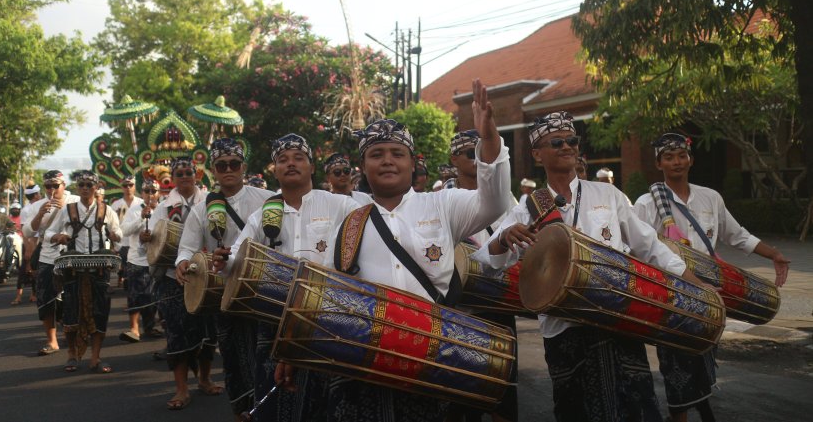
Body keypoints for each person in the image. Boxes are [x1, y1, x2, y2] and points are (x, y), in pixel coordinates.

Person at [296, 79, 511, 422]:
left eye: (397, 153)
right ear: (362, 166)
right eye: (376, 154)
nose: (387, 161)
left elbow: (496, 201)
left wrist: (489, 141)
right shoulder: (348, 220)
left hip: (436, 357)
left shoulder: (443, 204)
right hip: (366, 363)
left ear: (413, 163)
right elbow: (325, 292)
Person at [479, 112, 711, 422]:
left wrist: (693, 282)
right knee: (576, 411)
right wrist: (506, 237)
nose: (567, 147)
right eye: (557, 142)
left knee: (634, 407)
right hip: (564, 330)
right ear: (537, 154)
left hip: (618, 317)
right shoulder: (529, 205)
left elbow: (651, 246)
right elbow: (489, 257)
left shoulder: (609, 195)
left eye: (572, 141)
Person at [633, 132, 791, 422]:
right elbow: (637, 248)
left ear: (690, 159)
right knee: (677, 365)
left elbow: (737, 235)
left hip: (709, 294)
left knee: (704, 359)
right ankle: (681, 415)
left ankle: (700, 410)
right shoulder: (646, 203)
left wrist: (774, 255)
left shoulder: (711, 198)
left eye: (681, 155)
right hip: (672, 297)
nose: (676, 162)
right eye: (668, 157)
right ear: (659, 164)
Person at [219, 133, 361, 422]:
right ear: (275, 169)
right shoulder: (262, 216)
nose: (290, 164)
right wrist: (224, 260)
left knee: (333, 403)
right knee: (278, 405)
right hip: (276, 319)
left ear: (311, 167)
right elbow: (238, 254)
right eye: (282, 160)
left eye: (298, 158)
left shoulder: (340, 205)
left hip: (331, 318)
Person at [173, 138, 275, 413]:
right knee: (234, 362)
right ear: (213, 170)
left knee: (270, 361)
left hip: (266, 293)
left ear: (243, 166)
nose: (228, 169)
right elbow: (186, 248)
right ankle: (243, 411)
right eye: (221, 165)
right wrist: (183, 263)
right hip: (225, 295)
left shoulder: (267, 199)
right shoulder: (202, 208)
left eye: (234, 164)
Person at [446, 127, 518, 422]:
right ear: (453, 159)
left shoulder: (506, 198)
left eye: (479, 151)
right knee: (461, 392)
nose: (476, 158)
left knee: (503, 391)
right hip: (462, 307)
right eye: (467, 153)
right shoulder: (441, 200)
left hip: (500, 302)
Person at [141, 155, 214, 410]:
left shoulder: (210, 202)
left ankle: (204, 379)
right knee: (176, 334)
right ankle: (181, 389)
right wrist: (147, 238)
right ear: (172, 179)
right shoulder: (163, 207)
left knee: (208, 332)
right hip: (173, 279)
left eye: (188, 173)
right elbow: (153, 246)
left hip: (205, 277)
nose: (184, 177)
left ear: (197, 175)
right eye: (179, 174)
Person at [47, 170, 121, 374]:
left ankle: (95, 357)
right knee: (71, 312)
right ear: (77, 188)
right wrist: (59, 237)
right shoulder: (68, 209)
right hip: (73, 269)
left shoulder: (106, 210)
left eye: (90, 185)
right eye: (82, 185)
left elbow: (119, 233)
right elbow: (49, 233)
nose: (86, 188)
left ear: (97, 187)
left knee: (100, 313)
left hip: (99, 269)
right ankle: (72, 354)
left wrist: (115, 234)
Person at [23, 171, 79, 357]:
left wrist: (66, 209)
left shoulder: (75, 200)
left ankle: (74, 335)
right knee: (46, 299)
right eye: (48, 186)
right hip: (48, 256)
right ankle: (52, 341)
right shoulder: (37, 205)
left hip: (73, 255)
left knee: (74, 297)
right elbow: (28, 232)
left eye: (56, 185)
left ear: (64, 185)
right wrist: (40, 214)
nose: (52, 190)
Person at [118, 179, 160, 343]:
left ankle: (149, 327)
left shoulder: (163, 209)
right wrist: (141, 219)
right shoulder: (135, 210)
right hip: (137, 259)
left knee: (153, 296)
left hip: (156, 259)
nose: (150, 194)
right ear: (141, 193)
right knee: (135, 296)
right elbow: (124, 231)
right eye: (147, 191)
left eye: (153, 191)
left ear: (159, 193)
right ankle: (134, 328)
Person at [111, 175, 143, 288]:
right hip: (121, 243)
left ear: (135, 186)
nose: (128, 187)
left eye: (131, 185)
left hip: (137, 244)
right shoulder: (115, 205)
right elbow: (111, 226)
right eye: (125, 185)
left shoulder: (142, 204)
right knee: (125, 270)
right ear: (122, 187)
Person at [15, 185, 43, 305]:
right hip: (30, 244)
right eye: (39, 193)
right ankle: (18, 296)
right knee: (25, 270)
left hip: (39, 242)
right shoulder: (26, 210)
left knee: (36, 270)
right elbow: (24, 231)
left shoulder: (40, 206)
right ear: (35, 195)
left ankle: (34, 294)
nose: (40, 195)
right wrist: (28, 248)